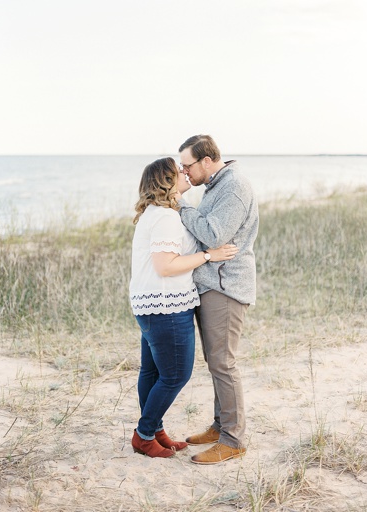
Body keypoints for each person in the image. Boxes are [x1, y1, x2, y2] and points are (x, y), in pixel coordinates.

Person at [129, 157, 238, 458]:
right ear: (166, 180)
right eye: (178, 170)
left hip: (151, 305)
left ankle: (154, 429)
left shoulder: (159, 212)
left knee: (151, 372)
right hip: (166, 306)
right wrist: (208, 256)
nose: (184, 172)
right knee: (175, 375)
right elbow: (166, 266)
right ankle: (144, 434)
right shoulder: (164, 217)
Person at [174, 134, 258, 465]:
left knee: (223, 362)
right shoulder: (216, 186)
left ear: (207, 161)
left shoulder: (233, 187)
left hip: (226, 287)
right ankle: (220, 425)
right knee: (216, 361)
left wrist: (181, 205)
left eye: (187, 165)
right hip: (213, 284)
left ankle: (233, 440)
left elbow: (212, 235)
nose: (184, 171)